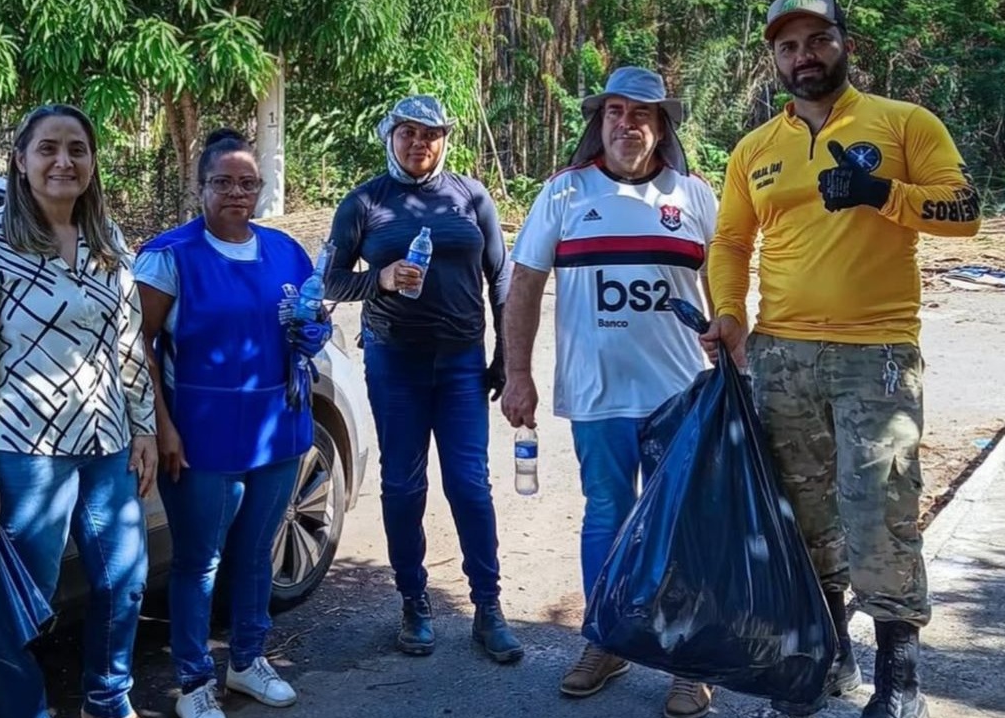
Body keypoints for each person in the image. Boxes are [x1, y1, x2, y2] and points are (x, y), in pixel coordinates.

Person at [702, 0, 982, 716]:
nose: (805, 55)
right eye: (789, 45)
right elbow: (730, 243)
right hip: (782, 353)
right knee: (802, 514)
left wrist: (880, 192)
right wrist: (730, 314)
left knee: (881, 508)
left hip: (876, 353)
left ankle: (900, 683)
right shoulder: (756, 149)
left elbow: (964, 210)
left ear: (843, 44)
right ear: (775, 60)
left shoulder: (902, 124)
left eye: (818, 39)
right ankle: (829, 661)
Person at [500, 66, 717, 718]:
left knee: (681, 528)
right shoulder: (564, 195)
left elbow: (727, 290)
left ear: (663, 126)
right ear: (599, 122)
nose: (628, 124)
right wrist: (518, 374)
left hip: (680, 395)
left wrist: (737, 355)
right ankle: (607, 640)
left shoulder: (696, 197)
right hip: (597, 396)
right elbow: (525, 288)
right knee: (606, 517)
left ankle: (689, 661)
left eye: (643, 114)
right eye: (615, 112)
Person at [0, 103, 159, 718]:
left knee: (125, 580)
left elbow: (126, 342)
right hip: (25, 453)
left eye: (77, 149)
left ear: (92, 162)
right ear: (20, 160)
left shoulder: (107, 240)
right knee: (20, 606)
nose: (63, 161)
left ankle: (107, 698)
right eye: (47, 149)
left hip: (106, 443)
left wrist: (143, 426)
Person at [134, 128, 331, 718]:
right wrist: (162, 425)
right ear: (200, 188)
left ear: (261, 189)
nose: (236, 193)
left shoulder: (286, 251)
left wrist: (312, 332)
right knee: (199, 562)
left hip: (278, 429)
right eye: (222, 182)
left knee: (255, 554)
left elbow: (308, 319)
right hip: (200, 436)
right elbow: (136, 345)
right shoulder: (169, 256)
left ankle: (247, 661)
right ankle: (194, 682)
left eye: (247, 183)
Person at [323, 95, 522, 663]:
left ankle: (489, 607)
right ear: (390, 137)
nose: (420, 144)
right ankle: (414, 603)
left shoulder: (471, 195)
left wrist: (507, 359)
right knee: (404, 487)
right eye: (408, 133)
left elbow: (502, 278)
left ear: (445, 140)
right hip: (395, 362)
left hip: (462, 363)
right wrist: (378, 279)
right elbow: (330, 280)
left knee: (469, 484)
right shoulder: (366, 201)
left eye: (431, 134)